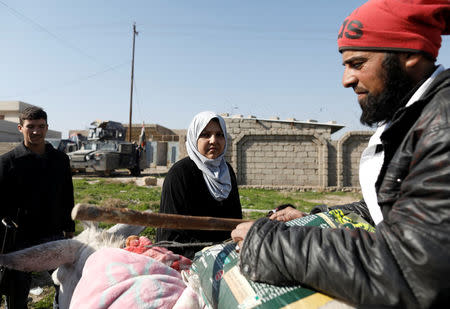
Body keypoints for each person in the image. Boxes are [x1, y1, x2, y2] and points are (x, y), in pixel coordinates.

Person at [231, 0, 450, 307]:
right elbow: (395, 208)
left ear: (410, 55)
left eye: (358, 64)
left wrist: (270, 243)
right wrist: (317, 218)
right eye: (345, 65)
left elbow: (414, 271)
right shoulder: (416, 118)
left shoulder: (442, 123)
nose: (346, 79)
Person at [0, 106, 75, 308]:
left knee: (67, 286)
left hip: (54, 235)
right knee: (17, 296)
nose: (36, 131)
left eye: (41, 126)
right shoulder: (7, 163)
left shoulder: (60, 160)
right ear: (20, 128)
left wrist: (69, 228)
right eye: (30, 126)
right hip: (19, 241)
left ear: (47, 128)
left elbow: (68, 195)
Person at [157, 111, 242, 259]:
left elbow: (236, 222)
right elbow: (169, 236)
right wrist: (208, 254)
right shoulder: (180, 174)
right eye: (206, 134)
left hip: (227, 255)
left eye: (219, 135)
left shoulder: (227, 172)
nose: (213, 140)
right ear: (194, 138)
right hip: (187, 258)